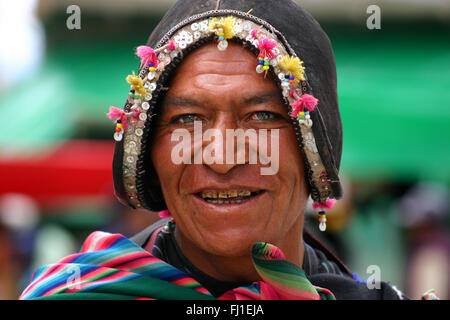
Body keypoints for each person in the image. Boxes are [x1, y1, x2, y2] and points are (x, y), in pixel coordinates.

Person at [19, 0, 437, 300]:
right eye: (188, 121)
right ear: (150, 154)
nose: (221, 156)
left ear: (316, 152)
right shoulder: (82, 293)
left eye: (260, 117)